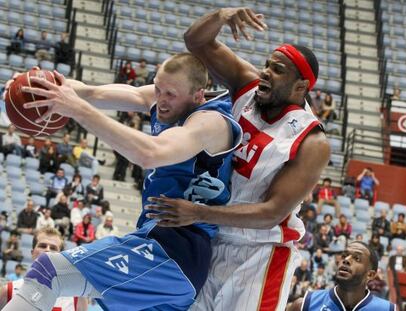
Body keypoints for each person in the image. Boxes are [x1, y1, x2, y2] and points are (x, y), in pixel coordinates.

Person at [3, 53, 241, 310]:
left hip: (176, 251)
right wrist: (37, 85)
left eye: (169, 94)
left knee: (50, 271)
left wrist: (77, 110)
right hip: (163, 252)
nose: (160, 100)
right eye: (157, 88)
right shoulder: (168, 100)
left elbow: (149, 153)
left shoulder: (210, 123)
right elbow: (91, 93)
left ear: (198, 95)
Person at [143, 7, 329, 311]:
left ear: (301, 87)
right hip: (212, 237)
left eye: (278, 69)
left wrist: (198, 212)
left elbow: (271, 212)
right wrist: (221, 16)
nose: (266, 71)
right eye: (268, 64)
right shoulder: (248, 85)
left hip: (261, 253)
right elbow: (196, 42)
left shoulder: (312, 141)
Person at [287, 242, 396, 311]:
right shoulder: (304, 304)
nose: (346, 260)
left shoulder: (387, 309)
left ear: (370, 274)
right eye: (344, 255)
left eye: (357, 258)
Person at [0, 227, 88, 310]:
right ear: (32, 252)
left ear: (61, 257)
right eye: (42, 246)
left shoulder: (77, 299)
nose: (47, 250)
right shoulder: (8, 291)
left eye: (53, 248)